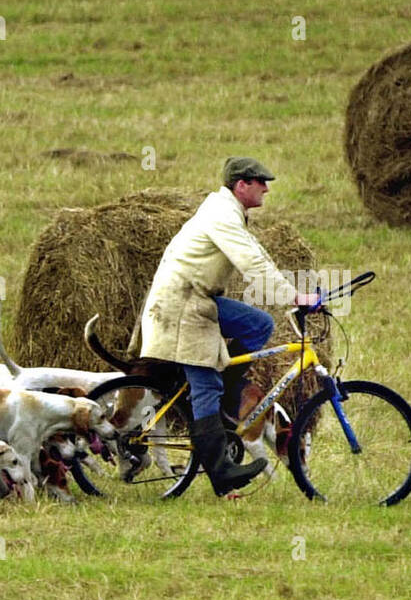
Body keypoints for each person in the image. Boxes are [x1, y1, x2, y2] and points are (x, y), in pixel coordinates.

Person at [137, 156, 320, 495]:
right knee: (206, 386)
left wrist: (294, 293)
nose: (266, 187)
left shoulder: (230, 213)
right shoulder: (221, 215)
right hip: (183, 306)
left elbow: (258, 254)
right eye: (260, 182)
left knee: (258, 324)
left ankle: (231, 405)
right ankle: (221, 472)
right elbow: (250, 261)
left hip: (200, 299)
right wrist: (294, 298)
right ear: (241, 185)